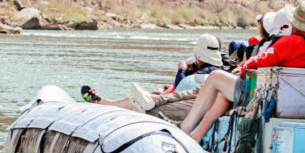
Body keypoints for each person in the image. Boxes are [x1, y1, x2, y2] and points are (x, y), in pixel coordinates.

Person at [177, 1, 305, 142]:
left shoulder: (289, 42)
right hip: (297, 99)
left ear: (293, 22)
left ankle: (185, 127)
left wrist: (243, 67)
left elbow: (252, 64)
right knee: (224, 94)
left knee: (215, 76)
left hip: (270, 98)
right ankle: (197, 135)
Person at [81, 34, 224, 122]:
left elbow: (181, 86)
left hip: (183, 106)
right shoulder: (213, 70)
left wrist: (181, 70)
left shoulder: (204, 73)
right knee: (144, 96)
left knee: (135, 101)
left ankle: (107, 105)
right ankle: (108, 104)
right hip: (182, 101)